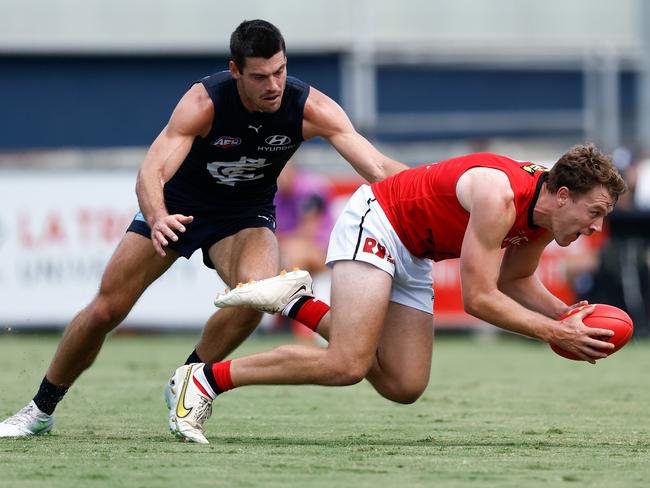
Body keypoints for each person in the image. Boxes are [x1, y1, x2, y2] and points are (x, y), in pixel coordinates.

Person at [0, 19, 406, 438]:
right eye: (260, 76)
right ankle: (39, 409)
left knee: (258, 296)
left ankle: (189, 380)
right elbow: (151, 172)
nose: (273, 85)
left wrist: (442, 183)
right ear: (235, 71)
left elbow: (377, 167)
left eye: (280, 71)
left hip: (245, 215)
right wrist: (157, 218)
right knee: (107, 308)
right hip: (179, 208)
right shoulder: (204, 102)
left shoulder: (309, 107)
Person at [168, 144, 627, 444]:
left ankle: (295, 301)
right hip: (380, 220)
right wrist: (554, 333)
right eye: (596, 212)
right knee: (347, 363)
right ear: (563, 194)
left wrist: (566, 314)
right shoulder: (500, 197)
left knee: (404, 384)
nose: (596, 227)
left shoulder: (546, 217)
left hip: (415, 250)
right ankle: (205, 380)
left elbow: (515, 281)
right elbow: (480, 298)